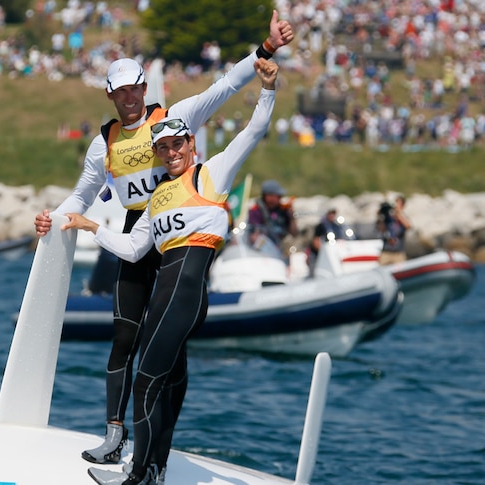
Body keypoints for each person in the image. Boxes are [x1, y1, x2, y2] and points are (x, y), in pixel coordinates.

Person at [34, 12, 293, 469]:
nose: (129, 99)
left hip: (178, 225)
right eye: (120, 93)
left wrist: (267, 50)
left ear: (144, 89)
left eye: (136, 89)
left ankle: (159, 450)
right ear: (111, 96)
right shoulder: (104, 144)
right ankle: (115, 435)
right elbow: (82, 196)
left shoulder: (175, 118)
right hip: (140, 227)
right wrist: (52, 219)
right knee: (123, 336)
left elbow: (226, 87)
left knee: (170, 347)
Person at [247, 179, 297, 249]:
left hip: (280, 249)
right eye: (278, 196)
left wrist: (292, 218)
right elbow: (254, 236)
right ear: (268, 197)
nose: (281, 198)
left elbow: (294, 234)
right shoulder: (256, 211)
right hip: (264, 249)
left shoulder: (283, 211)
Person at [308, 208, 353, 274]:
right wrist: (321, 251)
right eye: (330, 214)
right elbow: (316, 240)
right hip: (320, 253)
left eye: (333, 214)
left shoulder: (337, 226)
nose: (332, 215)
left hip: (334, 252)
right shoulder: (321, 226)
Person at [376, 195, 411, 265]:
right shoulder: (387, 218)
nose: (396, 206)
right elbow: (380, 229)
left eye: (398, 204)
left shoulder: (403, 217)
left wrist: (398, 214)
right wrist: (381, 215)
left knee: (401, 273)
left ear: (403, 206)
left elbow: (408, 226)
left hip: (398, 253)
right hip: (386, 251)